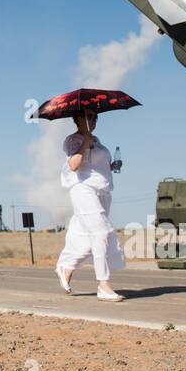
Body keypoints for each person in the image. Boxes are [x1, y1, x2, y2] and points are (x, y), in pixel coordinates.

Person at [55, 110, 126, 301]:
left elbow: (95, 166)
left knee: (88, 239)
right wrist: (85, 140)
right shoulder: (73, 140)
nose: (93, 121)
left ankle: (66, 268)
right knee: (101, 233)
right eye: (88, 117)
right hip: (83, 190)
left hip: (102, 192)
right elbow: (74, 165)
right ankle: (103, 284)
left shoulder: (98, 140)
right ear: (77, 119)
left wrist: (111, 166)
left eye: (95, 117)